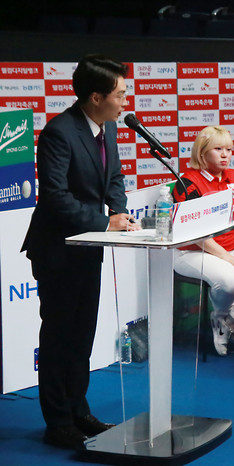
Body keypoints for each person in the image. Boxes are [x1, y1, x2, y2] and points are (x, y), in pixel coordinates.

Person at [21, 54, 135, 450]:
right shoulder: (59, 132)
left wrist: (119, 211)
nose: (125, 102)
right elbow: (55, 198)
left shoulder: (109, 127)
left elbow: (114, 176)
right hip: (58, 250)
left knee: (82, 335)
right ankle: (58, 422)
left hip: (89, 249)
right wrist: (105, 222)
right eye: (120, 95)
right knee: (59, 338)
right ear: (96, 97)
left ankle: (79, 410)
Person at [172, 126, 234, 356]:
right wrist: (224, 256)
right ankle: (223, 318)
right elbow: (194, 231)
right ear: (202, 152)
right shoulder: (187, 183)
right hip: (193, 251)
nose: (225, 155)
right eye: (218, 149)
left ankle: (229, 321)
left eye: (229, 150)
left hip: (232, 247)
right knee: (230, 281)